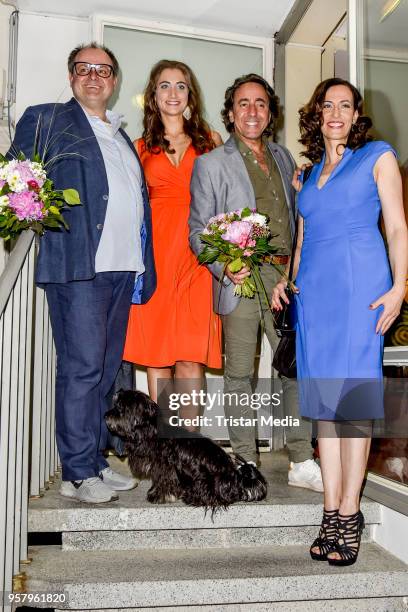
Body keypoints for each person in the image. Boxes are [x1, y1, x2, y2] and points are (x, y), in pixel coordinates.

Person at [10, 42, 156, 503]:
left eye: (104, 70)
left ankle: (92, 460)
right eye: (84, 68)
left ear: (114, 81)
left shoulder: (119, 134)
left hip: (121, 268)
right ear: (72, 76)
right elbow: (14, 178)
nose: (94, 76)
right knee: (82, 368)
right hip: (79, 267)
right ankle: (76, 471)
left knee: (107, 370)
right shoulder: (47, 118)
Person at [272, 77, 408, 565]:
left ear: (356, 115)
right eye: (327, 105)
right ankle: (330, 510)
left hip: (359, 293)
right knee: (325, 409)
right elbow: (304, 240)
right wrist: (288, 284)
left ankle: (350, 512)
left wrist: (399, 287)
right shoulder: (307, 176)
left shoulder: (378, 157)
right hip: (315, 300)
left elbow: (396, 225)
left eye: (344, 105)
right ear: (316, 115)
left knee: (352, 405)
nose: (335, 112)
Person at [189, 73, 323, 490]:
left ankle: (302, 460)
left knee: (292, 368)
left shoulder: (284, 159)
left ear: (270, 113)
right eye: (244, 103)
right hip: (242, 276)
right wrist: (226, 266)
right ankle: (246, 460)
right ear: (231, 113)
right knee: (240, 374)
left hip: (285, 277)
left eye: (261, 104)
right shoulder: (210, 164)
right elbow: (197, 231)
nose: (253, 111)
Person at [123, 60, 222, 415]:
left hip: (198, 258)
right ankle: (166, 444)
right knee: (157, 355)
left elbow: (225, 200)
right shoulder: (137, 147)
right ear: (153, 96)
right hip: (156, 258)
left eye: (180, 85)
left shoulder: (211, 142)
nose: (172, 93)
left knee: (191, 355)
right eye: (164, 86)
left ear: (190, 95)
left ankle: (190, 448)